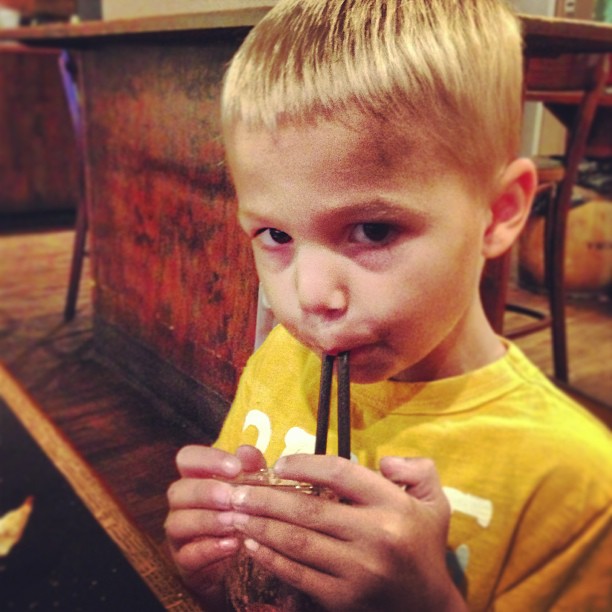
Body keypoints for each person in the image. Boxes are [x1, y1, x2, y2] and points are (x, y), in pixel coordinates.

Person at [164, 1, 612, 610]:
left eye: (373, 231)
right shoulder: (278, 360)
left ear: (501, 212)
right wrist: (219, 568)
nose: (310, 296)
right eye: (276, 236)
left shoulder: (579, 485)